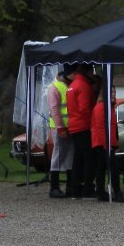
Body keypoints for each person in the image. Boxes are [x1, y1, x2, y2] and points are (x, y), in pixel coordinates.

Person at [89, 74, 123, 203]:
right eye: (111, 92)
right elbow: (101, 128)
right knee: (113, 168)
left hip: (104, 143)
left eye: (114, 92)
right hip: (103, 143)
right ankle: (116, 192)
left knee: (102, 167)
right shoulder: (102, 107)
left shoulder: (107, 107)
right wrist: (108, 145)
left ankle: (101, 192)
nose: (114, 94)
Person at [66, 62, 94, 199]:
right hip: (83, 125)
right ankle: (87, 188)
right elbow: (85, 108)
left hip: (74, 125)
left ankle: (75, 188)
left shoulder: (72, 85)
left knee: (78, 158)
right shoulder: (84, 85)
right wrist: (92, 124)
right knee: (89, 158)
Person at [47, 65, 73, 198]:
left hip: (69, 126)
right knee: (58, 155)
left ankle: (69, 186)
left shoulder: (67, 85)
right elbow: (54, 110)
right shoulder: (54, 87)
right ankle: (54, 187)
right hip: (59, 127)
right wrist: (60, 127)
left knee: (69, 156)